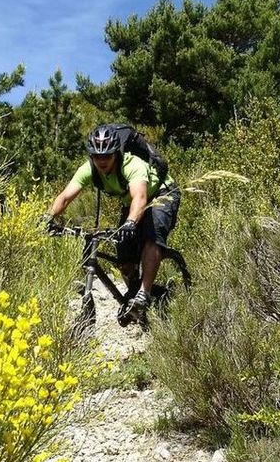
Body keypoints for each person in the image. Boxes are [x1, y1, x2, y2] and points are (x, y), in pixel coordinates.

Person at [45, 124, 181, 320]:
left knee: (153, 236)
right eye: (97, 156)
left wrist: (131, 222)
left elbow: (140, 198)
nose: (102, 161)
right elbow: (65, 197)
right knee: (124, 256)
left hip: (161, 194)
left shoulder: (132, 165)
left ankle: (144, 294)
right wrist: (47, 218)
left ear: (116, 153)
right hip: (132, 202)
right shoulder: (88, 169)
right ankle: (134, 294)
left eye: (107, 156)